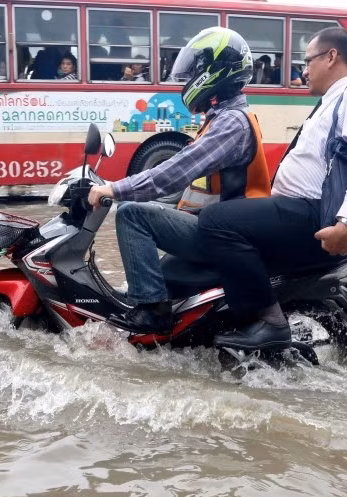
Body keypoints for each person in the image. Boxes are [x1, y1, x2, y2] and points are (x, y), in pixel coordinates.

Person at [196, 27, 347, 350]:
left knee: (215, 220)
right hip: (299, 211)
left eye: (308, 60)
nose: (304, 70)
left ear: (331, 57)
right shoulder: (333, 101)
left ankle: (268, 322)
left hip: (311, 216)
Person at [86, 27, 271, 334]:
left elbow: (174, 172)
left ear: (216, 72)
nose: (189, 79)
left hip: (225, 233)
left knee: (131, 214)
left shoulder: (231, 124)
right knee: (155, 270)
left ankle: (152, 314)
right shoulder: (222, 119)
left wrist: (115, 189)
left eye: (197, 70)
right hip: (216, 225)